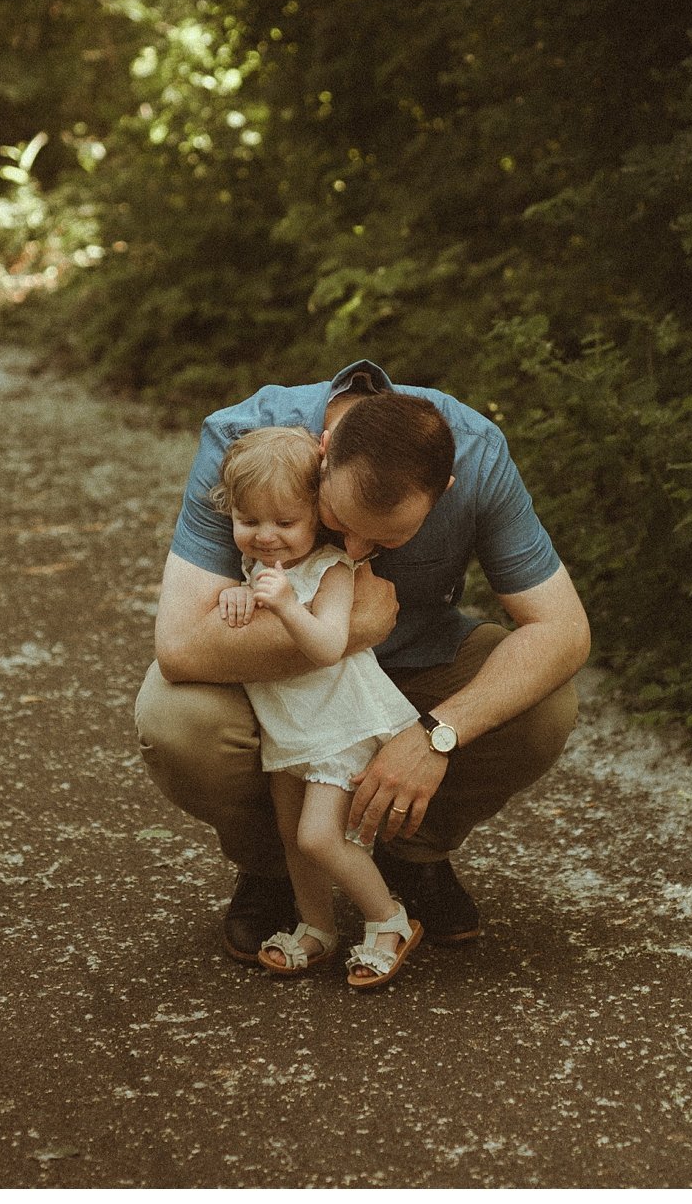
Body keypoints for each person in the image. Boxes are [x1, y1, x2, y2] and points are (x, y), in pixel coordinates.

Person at [134, 360, 590, 967]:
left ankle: (411, 852)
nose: (353, 552)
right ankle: (274, 869)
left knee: (545, 702)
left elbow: (564, 629)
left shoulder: (476, 454)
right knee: (173, 718)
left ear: (445, 489)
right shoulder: (248, 441)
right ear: (322, 454)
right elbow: (181, 646)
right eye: (340, 523)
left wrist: (436, 735)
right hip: (280, 683)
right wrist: (355, 630)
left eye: (388, 541)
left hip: (412, 672)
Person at [208, 424, 426, 987]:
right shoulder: (258, 570)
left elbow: (329, 646)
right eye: (248, 521)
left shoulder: (332, 568)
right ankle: (317, 926)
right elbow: (244, 610)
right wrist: (239, 594)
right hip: (293, 729)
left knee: (319, 836)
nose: (266, 537)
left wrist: (281, 605)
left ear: (316, 514)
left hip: (340, 724)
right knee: (290, 833)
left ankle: (389, 921)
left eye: (285, 522)